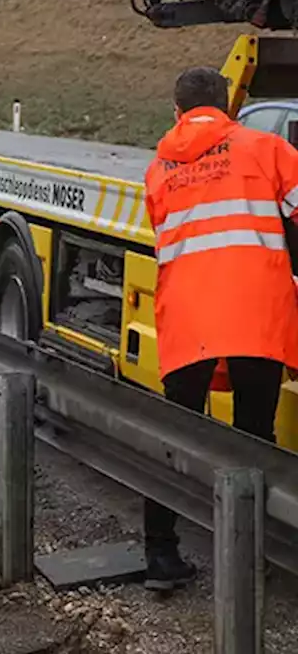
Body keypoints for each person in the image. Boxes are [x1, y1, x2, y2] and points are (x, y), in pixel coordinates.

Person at [142, 66, 298, 590]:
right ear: (229, 104)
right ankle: (253, 555)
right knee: (256, 437)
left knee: (176, 434)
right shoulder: (267, 148)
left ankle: (161, 558)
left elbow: (165, 240)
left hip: (188, 315)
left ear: (178, 111)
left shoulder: (160, 167)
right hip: (257, 312)